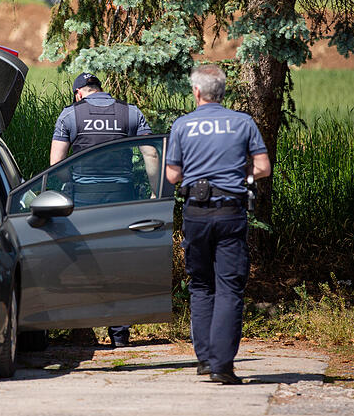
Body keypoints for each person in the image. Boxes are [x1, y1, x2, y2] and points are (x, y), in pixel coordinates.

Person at [165, 64, 271, 385]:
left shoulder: (182, 125)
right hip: (230, 212)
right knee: (229, 286)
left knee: (201, 285)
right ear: (222, 91)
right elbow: (263, 167)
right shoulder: (243, 122)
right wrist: (243, 177)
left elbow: (171, 176)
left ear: (196, 92)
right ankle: (222, 366)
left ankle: (205, 359)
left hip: (196, 213)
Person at [50, 72, 159, 347]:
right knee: (118, 262)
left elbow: (56, 164)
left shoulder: (69, 115)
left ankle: (82, 330)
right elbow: (151, 153)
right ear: (100, 89)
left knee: (82, 262)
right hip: (121, 199)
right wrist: (156, 192)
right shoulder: (130, 113)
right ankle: (120, 335)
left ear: (79, 93)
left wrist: (70, 184)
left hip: (83, 202)